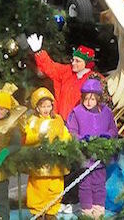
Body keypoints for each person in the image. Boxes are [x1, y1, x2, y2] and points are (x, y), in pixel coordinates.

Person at [66, 79, 117, 219]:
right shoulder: (77, 112)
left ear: (98, 99)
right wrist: (82, 139)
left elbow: (113, 129)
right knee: (85, 184)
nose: (89, 102)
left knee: (99, 183)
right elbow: (72, 131)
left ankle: (98, 210)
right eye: (86, 99)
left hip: (100, 156)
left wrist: (107, 136)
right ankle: (86, 210)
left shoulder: (106, 112)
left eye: (92, 99)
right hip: (85, 156)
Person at [23, 87, 72, 219]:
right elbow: (26, 137)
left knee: (55, 187)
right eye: (42, 106)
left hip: (56, 163)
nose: (46, 109)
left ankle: (52, 212)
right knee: (37, 189)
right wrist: (39, 135)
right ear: (37, 108)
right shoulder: (32, 121)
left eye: (48, 106)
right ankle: (37, 213)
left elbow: (65, 135)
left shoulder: (58, 120)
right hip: (39, 163)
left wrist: (65, 142)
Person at [26, 35, 98, 120]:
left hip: (80, 125)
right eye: (73, 60)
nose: (73, 63)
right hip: (61, 120)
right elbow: (50, 67)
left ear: (87, 64)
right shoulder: (66, 71)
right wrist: (39, 52)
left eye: (77, 61)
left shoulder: (94, 79)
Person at [0, 86, 26, 220]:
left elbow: (16, 144)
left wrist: (4, 153)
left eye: (1, 109)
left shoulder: (11, 125)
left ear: (7, 110)